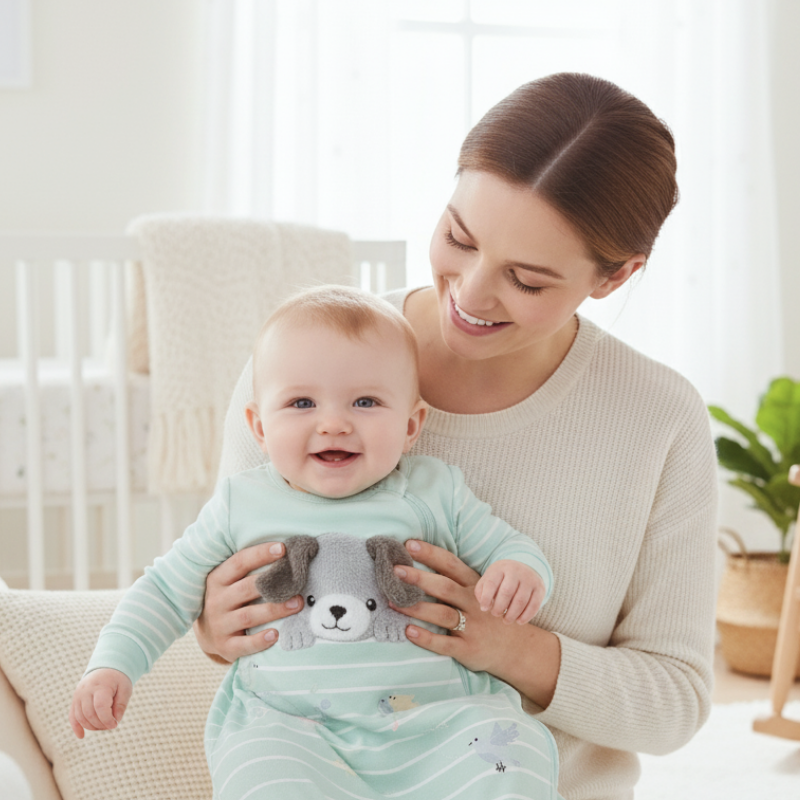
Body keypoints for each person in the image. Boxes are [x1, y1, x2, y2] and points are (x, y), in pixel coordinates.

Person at [196, 72, 719, 800]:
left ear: (616, 276)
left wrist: (507, 646)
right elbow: (226, 614)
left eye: (528, 281)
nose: (469, 295)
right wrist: (213, 629)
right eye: (458, 238)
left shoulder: (658, 418)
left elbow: (676, 701)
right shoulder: (301, 369)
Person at [69, 285, 562, 800]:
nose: (334, 423)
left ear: (411, 424)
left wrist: (520, 572)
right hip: (290, 728)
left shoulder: (435, 491)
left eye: (366, 401)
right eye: (302, 402)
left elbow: (513, 548)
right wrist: (112, 664)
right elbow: (166, 591)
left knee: (510, 754)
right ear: (260, 428)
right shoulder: (242, 503)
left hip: (436, 725)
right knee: (263, 772)